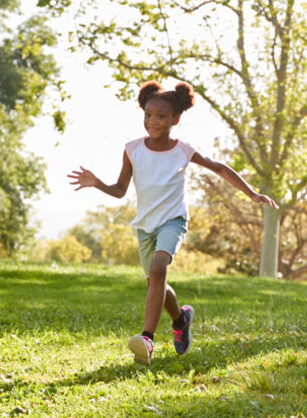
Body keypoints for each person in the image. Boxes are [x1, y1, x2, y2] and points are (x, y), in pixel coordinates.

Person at [68, 81, 277, 366]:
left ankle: (147, 340)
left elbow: (219, 168)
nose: (153, 121)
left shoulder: (183, 150)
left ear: (175, 119)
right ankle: (180, 319)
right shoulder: (132, 149)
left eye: (161, 116)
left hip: (173, 221)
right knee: (157, 282)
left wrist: (251, 192)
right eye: (148, 114)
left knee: (158, 269)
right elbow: (119, 189)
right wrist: (97, 183)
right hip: (145, 226)